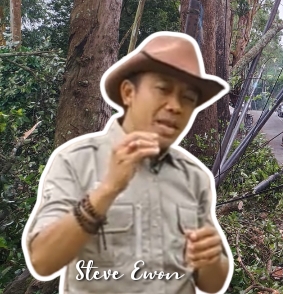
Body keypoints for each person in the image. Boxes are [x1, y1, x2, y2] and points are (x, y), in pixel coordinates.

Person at [22, 32, 233, 294]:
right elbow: (41, 261)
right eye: (163, 89)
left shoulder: (195, 177)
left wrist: (211, 259)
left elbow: (213, 284)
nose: (176, 106)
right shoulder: (75, 161)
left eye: (188, 98)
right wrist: (106, 190)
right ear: (128, 92)